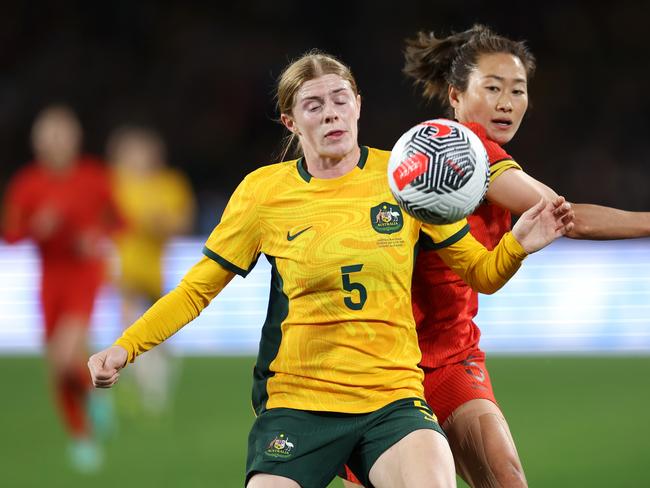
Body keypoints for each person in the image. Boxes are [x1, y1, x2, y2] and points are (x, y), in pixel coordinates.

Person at [87, 51, 573, 488]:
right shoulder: (264, 193)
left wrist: (517, 245)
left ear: (358, 105)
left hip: (393, 401)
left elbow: (481, 274)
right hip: (299, 405)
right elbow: (196, 290)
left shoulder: (406, 178)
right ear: (290, 122)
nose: (331, 113)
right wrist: (124, 348)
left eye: (340, 99)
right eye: (313, 105)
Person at [342, 24, 650, 488]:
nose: (507, 102)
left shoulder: (458, 153)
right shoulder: (461, 154)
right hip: (386, 367)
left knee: (505, 475)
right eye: (493, 88)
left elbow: (554, 215)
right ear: (456, 96)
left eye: (518, 90)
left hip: (449, 356)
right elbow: (567, 218)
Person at [1, 105, 122, 472]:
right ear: (37, 141)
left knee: (63, 353)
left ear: (75, 137)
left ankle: (91, 411)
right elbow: (10, 233)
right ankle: (81, 431)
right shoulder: (28, 183)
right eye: (48, 133)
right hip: (50, 278)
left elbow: (119, 220)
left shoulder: (93, 176)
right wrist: (38, 226)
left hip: (84, 274)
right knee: (59, 366)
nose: (55, 140)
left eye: (62, 132)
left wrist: (95, 237)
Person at [107, 125, 196, 416]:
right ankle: (147, 390)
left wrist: (158, 222)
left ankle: (151, 380)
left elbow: (182, 222)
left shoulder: (169, 184)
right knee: (130, 324)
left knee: (156, 333)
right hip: (125, 270)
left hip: (156, 271)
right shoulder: (114, 183)